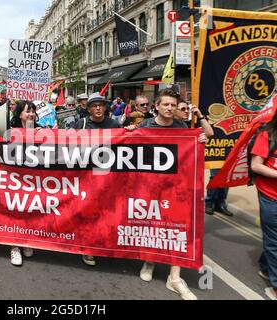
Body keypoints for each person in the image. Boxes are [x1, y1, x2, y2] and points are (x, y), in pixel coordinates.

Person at [126, 89, 208, 300]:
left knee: (178, 228)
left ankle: (175, 277)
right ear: (157, 106)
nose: (170, 108)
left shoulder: (182, 127)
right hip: (149, 187)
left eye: (173, 105)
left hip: (176, 189)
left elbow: (208, 134)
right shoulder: (145, 126)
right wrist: (127, 131)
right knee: (153, 226)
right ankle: (150, 262)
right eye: (166, 105)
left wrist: (201, 121)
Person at [73, 92, 120, 267]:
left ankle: (104, 244)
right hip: (86, 176)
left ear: (105, 107)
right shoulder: (82, 124)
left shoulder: (114, 124)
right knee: (87, 211)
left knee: (105, 212)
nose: (98, 108)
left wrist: (131, 131)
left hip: (107, 176)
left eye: (101, 104)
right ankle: (88, 248)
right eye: (94, 105)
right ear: (89, 108)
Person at [8, 100, 40, 266]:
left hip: (33, 178)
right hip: (15, 177)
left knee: (30, 209)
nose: (31, 114)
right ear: (19, 113)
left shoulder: (41, 130)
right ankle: (14, 246)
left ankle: (26, 240)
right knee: (16, 209)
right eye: (28, 111)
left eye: (33, 111)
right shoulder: (9, 131)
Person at [250, 111, 277, 300]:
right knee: (274, 241)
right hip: (270, 195)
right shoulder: (267, 135)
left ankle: (266, 267)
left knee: (272, 239)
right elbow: (256, 165)